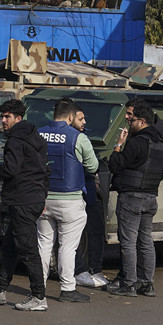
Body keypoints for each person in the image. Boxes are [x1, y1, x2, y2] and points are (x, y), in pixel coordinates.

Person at [0, 99, 50, 311]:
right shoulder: (36, 137)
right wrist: (41, 197)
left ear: (18, 118)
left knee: (27, 249)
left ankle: (39, 297)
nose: (3, 121)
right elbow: (45, 170)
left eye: (7, 117)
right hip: (33, 198)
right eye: (2, 116)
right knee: (10, 246)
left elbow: (11, 169)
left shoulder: (15, 141)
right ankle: (0, 290)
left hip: (22, 200)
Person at [36, 98, 98, 303]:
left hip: (43, 198)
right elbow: (93, 166)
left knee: (44, 244)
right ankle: (68, 289)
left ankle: (39, 287)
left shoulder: (38, 134)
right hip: (70, 201)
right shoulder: (77, 137)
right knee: (67, 247)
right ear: (71, 116)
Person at [107, 98, 163, 297]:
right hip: (151, 197)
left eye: (132, 121)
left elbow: (115, 165)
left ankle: (129, 284)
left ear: (141, 122)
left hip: (132, 197)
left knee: (128, 242)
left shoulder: (137, 142)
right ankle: (147, 284)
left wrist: (118, 145)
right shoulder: (159, 143)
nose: (129, 123)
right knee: (146, 241)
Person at [71, 107, 110, 289]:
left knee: (95, 230)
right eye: (81, 118)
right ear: (70, 118)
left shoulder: (83, 136)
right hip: (74, 193)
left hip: (88, 192)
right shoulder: (72, 138)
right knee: (74, 235)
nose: (84, 122)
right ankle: (79, 271)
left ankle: (95, 269)